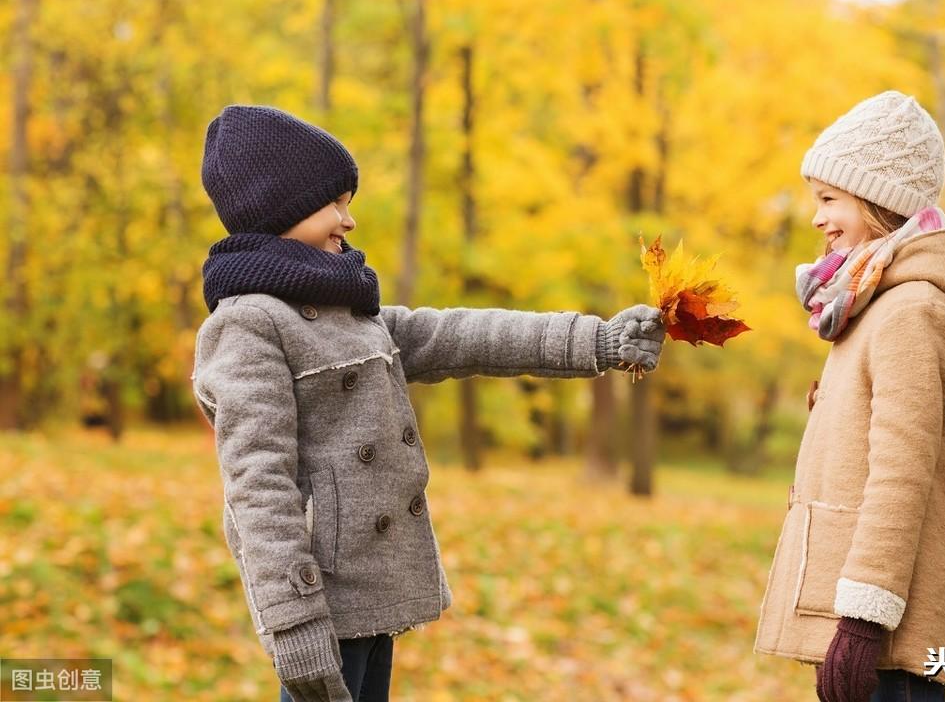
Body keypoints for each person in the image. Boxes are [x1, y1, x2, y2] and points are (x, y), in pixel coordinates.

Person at [189, 105, 664, 702]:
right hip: (320, 603)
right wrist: (293, 621)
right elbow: (259, 486)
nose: (349, 219)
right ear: (277, 208)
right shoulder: (249, 325)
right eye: (333, 202)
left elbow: (464, 336)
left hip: (373, 589)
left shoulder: (349, 310)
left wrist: (597, 340)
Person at [754, 91, 945, 702]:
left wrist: (862, 621)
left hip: (887, 635)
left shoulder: (913, 311)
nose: (817, 218)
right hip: (860, 620)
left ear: (878, 203)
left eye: (829, 199)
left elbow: (900, 476)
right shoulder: (874, 303)